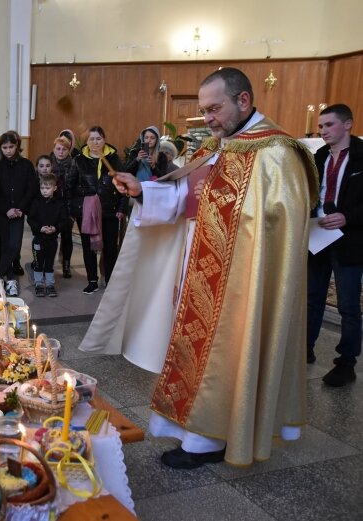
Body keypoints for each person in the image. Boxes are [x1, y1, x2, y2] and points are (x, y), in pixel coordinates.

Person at [87, 67, 317, 468]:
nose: (207, 118)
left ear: (243, 100)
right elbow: (185, 197)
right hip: (197, 269)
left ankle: (211, 439)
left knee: (228, 354)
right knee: (192, 352)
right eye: (204, 109)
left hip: (242, 280)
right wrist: (143, 189)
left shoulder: (277, 153)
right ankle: (195, 433)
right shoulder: (216, 146)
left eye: (215, 108)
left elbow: (277, 229)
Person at [307, 103, 363, 387]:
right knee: (312, 298)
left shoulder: (362, 156)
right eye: (321, 126)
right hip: (320, 237)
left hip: (349, 241)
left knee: (348, 305)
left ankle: (346, 363)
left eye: (329, 125)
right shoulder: (319, 156)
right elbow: (312, 192)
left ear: (348, 124)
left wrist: (348, 216)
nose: (323, 131)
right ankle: (305, 350)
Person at [65, 125, 127, 293]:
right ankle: (92, 280)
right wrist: (74, 208)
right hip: (87, 211)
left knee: (110, 248)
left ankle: (109, 279)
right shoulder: (79, 160)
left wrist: (122, 207)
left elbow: (123, 185)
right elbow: (69, 186)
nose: (95, 142)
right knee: (88, 247)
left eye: (98, 138)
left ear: (104, 140)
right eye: (91, 139)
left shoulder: (113, 159)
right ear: (87, 141)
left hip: (110, 210)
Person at [0, 131, 37, 297]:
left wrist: (20, 208)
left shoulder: (26, 165)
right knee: (5, 246)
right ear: (0, 147)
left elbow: (31, 189)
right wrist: (6, 209)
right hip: (1, 213)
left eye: (11, 146)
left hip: (18, 212)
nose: (8, 150)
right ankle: (9, 279)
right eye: (5, 147)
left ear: (17, 146)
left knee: (15, 246)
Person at [27, 173, 70, 298]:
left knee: (49, 263)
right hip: (38, 238)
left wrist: (55, 228)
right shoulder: (36, 202)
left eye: (47, 188)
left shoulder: (59, 203)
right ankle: (39, 284)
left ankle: (50, 284)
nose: (44, 191)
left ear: (55, 188)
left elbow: (64, 220)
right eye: (42, 188)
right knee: (38, 262)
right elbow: (31, 219)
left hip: (52, 239)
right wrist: (40, 228)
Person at [49, 136, 75, 278]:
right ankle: (48, 263)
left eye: (64, 149)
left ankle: (66, 264)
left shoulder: (73, 164)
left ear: (68, 150)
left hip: (67, 205)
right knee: (51, 235)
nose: (61, 152)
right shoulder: (49, 164)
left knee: (67, 236)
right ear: (54, 149)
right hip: (52, 205)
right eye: (58, 148)